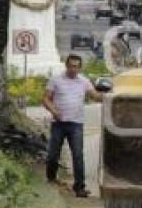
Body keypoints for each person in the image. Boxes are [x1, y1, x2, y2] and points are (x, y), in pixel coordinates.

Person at [43, 55, 103, 197]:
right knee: (53, 154)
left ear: (80, 67)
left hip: (76, 123)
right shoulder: (56, 80)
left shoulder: (83, 81)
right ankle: (51, 179)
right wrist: (53, 110)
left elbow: (95, 96)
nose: (73, 69)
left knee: (77, 155)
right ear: (66, 65)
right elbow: (45, 99)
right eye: (71, 66)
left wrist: (112, 95)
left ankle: (79, 187)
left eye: (76, 66)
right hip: (58, 123)